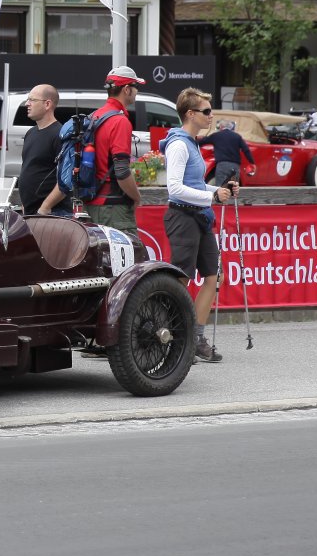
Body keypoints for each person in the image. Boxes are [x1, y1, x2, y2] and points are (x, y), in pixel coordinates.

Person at [162, 88, 237, 365]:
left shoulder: (191, 143)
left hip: (199, 216)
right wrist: (212, 197)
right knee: (181, 279)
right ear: (190, 114)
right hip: (183, 217)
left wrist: (219, 190)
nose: (211, 115)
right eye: (206, 111)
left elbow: (194, 185)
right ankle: (173, 339)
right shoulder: (179, 145)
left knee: (214, 278)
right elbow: (174, 189)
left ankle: (195, 338)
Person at [83, 67, 147, 257]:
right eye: (136, 87)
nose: (137, 92)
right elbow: (122, 171)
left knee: (101, 263)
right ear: (126, 89)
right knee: (129, 263)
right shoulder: (120, 122)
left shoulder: (95, 116)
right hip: (114, 209)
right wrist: (136, 197)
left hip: (92, 203)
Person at [17, 85, 66, 215]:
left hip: (50, 214)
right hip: (30, 212)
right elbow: (28, 168)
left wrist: (45, 207)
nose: (27, 104)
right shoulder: (30, 133)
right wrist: (24, 204)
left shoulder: (60, 135)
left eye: (32, 100)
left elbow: (65, 179)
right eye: (28, 99)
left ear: (47, 104)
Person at [198, 118, 255, 187]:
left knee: (221, 187)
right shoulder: (237, 136)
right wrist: (252, 162)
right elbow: (246, 150)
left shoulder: (216, 135)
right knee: (234, 188)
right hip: (235, 165)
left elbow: (202, 142)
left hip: (222, 165)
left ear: (221, 127)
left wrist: (195, 140)